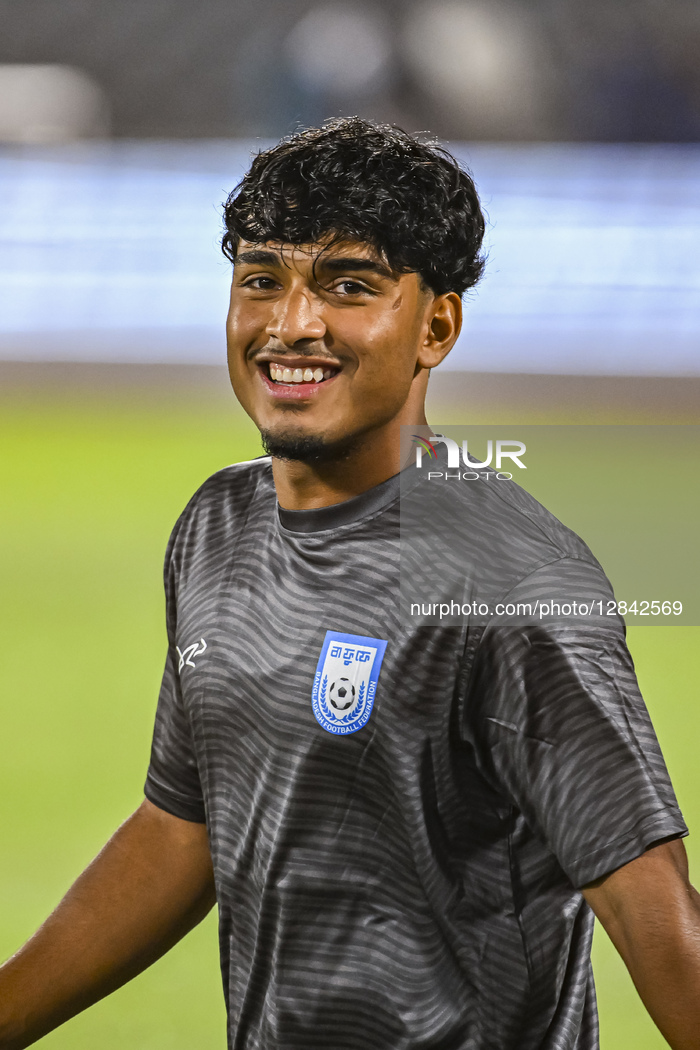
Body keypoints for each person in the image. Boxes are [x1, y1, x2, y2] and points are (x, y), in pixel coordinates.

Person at [0, 117, 698, 1050]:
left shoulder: (512, 582)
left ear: (435, 326)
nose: (292, 325)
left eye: (350, 286)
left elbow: (652, 916)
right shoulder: (219, 525)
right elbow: (186, 827)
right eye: (261, 281)